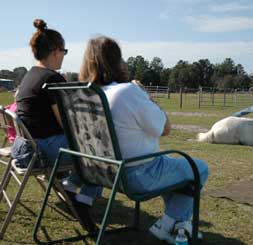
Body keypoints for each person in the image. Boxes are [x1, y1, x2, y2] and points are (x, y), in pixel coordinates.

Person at [79, 36, 209, 244]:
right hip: (138, 176)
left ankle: (180, 224)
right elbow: (165, 129)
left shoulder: (86, 94)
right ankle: (167, 224)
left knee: (177, 171)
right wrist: (145, 95)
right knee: (199, 168)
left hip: (102, 173)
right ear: (117, 61)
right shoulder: (128, 92)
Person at [15, 19, 102, 231]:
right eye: (64, 51)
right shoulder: (52, 79)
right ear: (55, 51)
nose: (64, 55)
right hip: (45, 150)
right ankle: (81, 199)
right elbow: (68, 124)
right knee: (102, 151)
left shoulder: (30, 75)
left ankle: (70, 185)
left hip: (27, 148)